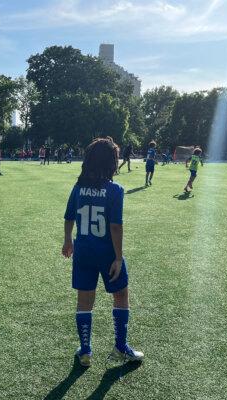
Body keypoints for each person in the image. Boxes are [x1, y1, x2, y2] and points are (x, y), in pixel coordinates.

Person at [62, 136, 143, 368]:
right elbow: (115, 226)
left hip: (84, 251)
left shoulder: (78, 187)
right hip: (107, 253)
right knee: (121, 296)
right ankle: (120, 346)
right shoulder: (115, 190)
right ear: (111, 162)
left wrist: (68, 240)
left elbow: (68, 216)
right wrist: (118, 257)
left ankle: (86, 351)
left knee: (84, 300)